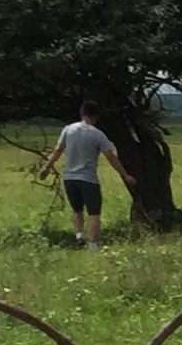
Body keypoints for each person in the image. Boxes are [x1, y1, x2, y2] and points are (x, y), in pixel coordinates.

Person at [33, 104, 123, 248]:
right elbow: (110, 157)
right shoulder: (98, 134)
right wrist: (125, 174)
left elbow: (58, 150)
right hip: (88, 179)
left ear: (81, 113)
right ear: (95, 117)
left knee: (77, 209)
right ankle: (93, 245)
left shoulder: (68, 130)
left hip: (70, 178)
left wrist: (46, 168)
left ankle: (79, 235)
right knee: (94, 213)